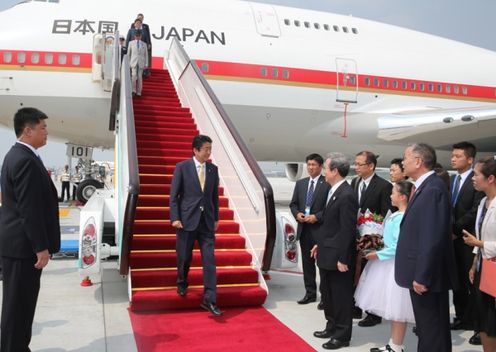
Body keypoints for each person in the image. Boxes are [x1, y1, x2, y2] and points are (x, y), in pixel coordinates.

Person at [0, 107, 61, 351]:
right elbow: (29, 210)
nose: (47, 132)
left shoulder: (20, 155)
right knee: (17, 308)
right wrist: (40, 247)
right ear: (28, 130)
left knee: (21, 306)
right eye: (43, 127)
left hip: (18, 246)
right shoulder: (24, 159)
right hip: (23, 248)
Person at [395, 143, 457, 352]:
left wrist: (422, 276)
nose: (403, 161)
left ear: (418, 161)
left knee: (432, 330)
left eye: (406, 157)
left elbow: (432, 238)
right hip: (422, 273)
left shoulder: (432, 189)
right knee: (428, 328)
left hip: (427, 277)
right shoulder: (423, 187)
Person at [355, 181, 415, 352]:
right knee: (395, 309)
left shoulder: (401, 217)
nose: (390, 196)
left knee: (397, 308)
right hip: (389, 264)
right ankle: (394, 344)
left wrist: (377, 254)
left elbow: (398, 247)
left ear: (402, 197)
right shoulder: (398, 215)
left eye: (393, 192)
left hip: (393, 266)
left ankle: (396, 345)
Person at [170, 135, 221, 316]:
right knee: (184, 257)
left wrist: (216, 218)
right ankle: (182, 282)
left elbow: (214, 196)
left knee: (209, 261)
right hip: (186, 221)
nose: (209, 152)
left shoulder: (213, 170)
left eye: (210, 148)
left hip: (206, 222)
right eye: (206, 148)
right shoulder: (182, 168)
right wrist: (175, 218)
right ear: (196, 150)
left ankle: (209, 299)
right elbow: (174, 196)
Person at [312, 152, 358, 350]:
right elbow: (330, 226)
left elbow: (347, 229)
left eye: (325, 168)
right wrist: (319, 244)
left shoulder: (347, 194)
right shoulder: (333, 191)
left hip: (338, 256)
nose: (323, 172)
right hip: (326, 252)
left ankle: (342, 335)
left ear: (335, 171)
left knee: (340, 296)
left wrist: (343, 258)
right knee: (328, 294)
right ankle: (331, 326)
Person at [351, 150, 394, 327]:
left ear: (371, 166)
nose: (356, 167)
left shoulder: (384, 186)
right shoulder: (354, 182)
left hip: (373, 239)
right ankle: (356, 306)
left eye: (360, 164)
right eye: (356, 163)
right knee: (356, 273)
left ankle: (373, 313)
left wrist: (374, 231)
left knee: (370, 275)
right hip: (356, 236)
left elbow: (386, 214)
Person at [450, 141, 484, 345]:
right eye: (452, 155)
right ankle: (462, 317)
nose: (453, 159)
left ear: (470, 159)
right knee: (458, 282)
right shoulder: (454, 180)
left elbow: (474, 210)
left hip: (468, 239)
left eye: (458, 156)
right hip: (452, 239)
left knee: (472, 283)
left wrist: (454, 230)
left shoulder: (476, 180)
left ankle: (476, 322)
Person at [463, 156, 496, 352]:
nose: (472, 178)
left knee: (491, 317)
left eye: (476, 175)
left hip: (493, 265)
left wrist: (480, 244)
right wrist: (475, 260)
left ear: (490, 178)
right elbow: (481, 233)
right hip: (483, 265)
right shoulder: (483, 201)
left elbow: (482, 239)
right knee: (482, 316)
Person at [289, 153, 330, 307]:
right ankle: (310, 294)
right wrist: (297, 214)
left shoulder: (326, 184)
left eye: (314, 165)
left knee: (323, 266)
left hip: (320, 230)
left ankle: (325, 297)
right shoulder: (300, 183)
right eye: (309, 165)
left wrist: (316, 217)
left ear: (320, 167)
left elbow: (329, 208)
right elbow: (293, 204)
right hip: (304, 230)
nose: (311, 168)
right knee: (307, 265)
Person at [127, 30, 148, 97]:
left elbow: (146, 55)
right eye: (136, 36)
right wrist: (128, 62)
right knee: (133, 76)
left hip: (141, 62)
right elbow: (128, 54)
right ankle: (133, 90)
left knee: (139, 77)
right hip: (133, 62)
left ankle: (139, 92)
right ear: (134, 36)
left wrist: (146, 64)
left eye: (139, 36)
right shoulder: (131, 43)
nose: (138, 37)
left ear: (141, 36)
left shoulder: (144, 44)